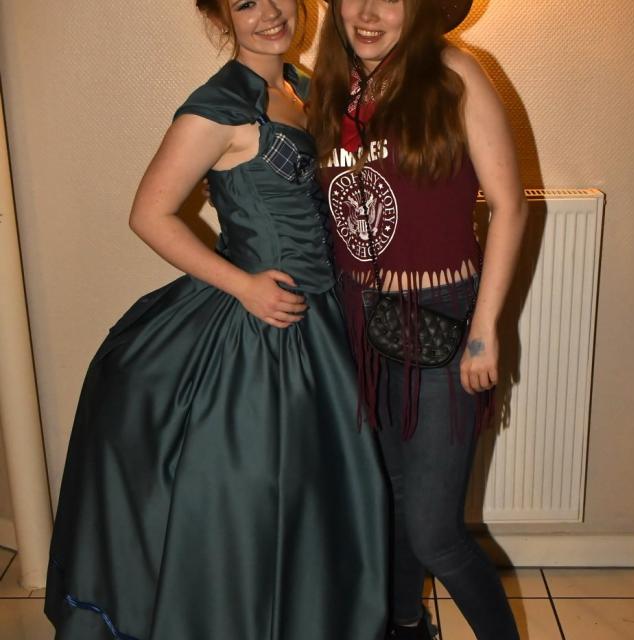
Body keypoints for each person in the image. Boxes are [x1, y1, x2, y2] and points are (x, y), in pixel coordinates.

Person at [44, 1, 388, 638]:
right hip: (264, 332)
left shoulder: (306, 89)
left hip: (324, 323)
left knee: (317, 502)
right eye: (244, 2)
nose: (268, 12)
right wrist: (244, 286)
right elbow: (149, 214)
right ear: (221, 17)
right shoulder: (219, 105)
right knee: (257, 501)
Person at [308, 0, 528, 638]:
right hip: (359, 325)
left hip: (442, 323)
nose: (368, 12)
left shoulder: (454, 73)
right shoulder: (331, 89)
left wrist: (485, 331)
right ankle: (405, 625)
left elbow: (510, 206)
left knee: (435, 535)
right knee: (392, 503)